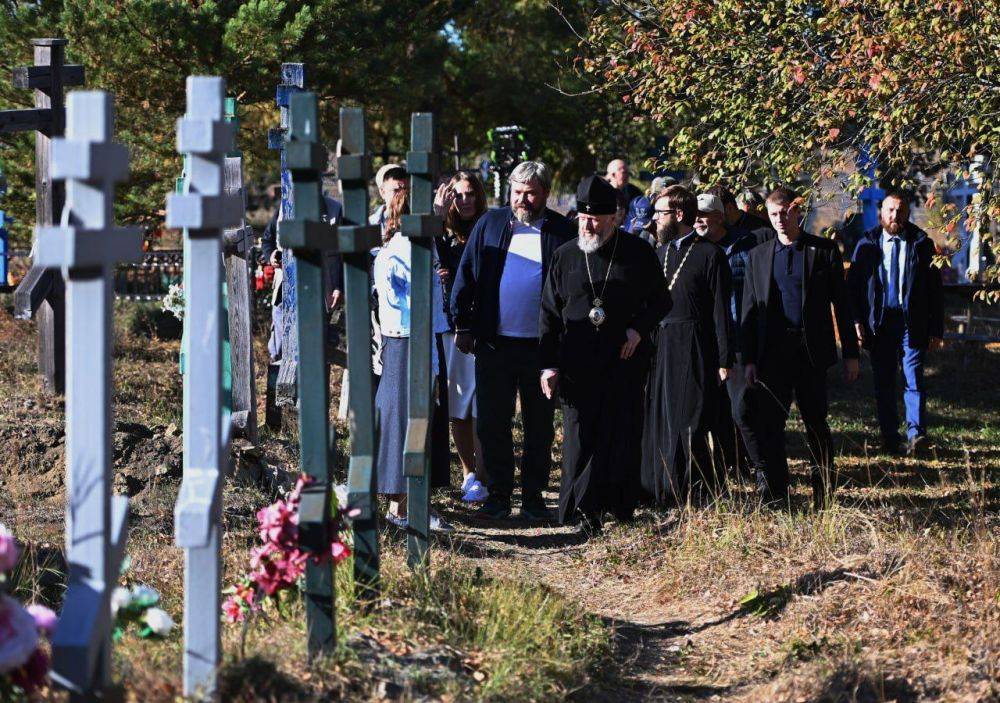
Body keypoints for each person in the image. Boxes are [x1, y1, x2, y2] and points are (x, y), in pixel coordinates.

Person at [540, 176, 669, 529]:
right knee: (581, 436)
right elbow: (549, 313)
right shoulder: (565, 256)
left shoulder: (638, 253)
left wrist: (638, 329)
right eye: (583, 218)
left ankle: (619, 506)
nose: (588, 225)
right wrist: (547, 365)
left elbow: (662, 300)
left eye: (595, 218)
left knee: (622, 433)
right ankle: (582, 510)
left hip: (623, 360)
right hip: (576, 362)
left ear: (614, 217)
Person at [451, 160, 575, 520]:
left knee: (538, 425)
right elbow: (467, 274)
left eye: (531, 193)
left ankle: (533, 498)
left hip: (542, 347)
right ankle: (499, 495)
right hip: (495, 342)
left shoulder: (560, 230)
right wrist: (463, 324)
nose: (523, 200)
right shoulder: (489, 224)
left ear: (545, 193)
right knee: (492, 422)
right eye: (517, 193)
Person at [741, 187, 860, 509]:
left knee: (816, 423)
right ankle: (777, 494)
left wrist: (850, 353)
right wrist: (749, 359)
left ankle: (824, 493)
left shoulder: (822, 252)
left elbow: (842, 306)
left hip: (811, 352)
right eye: (773, 214)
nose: (779, 219)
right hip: (772, 355)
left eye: (785, 212)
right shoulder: (759, 256)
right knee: (771, 426)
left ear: (798, 211)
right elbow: (750, 312)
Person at [641, 185, 733, 505]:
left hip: (695, 346)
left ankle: (696, 493)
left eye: (660, 214)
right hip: (660, 347)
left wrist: (724, 359)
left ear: (678, 214)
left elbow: (721, 311)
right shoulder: (659, 253)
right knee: (660, 418)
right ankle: (661, 490)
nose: (655, 220)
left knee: (689, 421)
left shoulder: (710, 255)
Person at [373, 189, 454, 532]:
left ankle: (411, 505)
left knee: (417, 417)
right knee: (407, 420)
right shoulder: (405, 248)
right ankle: (401, 508)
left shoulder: (416, 244)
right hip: (407, 339)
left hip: (416, 338)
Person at [847, 189, 944, 456]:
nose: (895, 215)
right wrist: (856, 321)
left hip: (912, 321)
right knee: (884, 381)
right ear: (881, 214)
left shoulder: (922, 244)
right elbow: (853, 289)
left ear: (908, 214)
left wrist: (936, 329)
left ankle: (916, 436)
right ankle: (890, 437)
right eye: (890, 210)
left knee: (914, 378)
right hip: (879, 323)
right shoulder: (866, 245)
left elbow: (935, 290)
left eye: (900, 211)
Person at [693, 193, 759, 478]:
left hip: (737, 338)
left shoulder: (746, 245)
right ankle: (724, 466)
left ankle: (755, 466)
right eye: (695, 214)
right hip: (703, 340)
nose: (698, 219)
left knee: (740, 410)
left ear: (720, 216)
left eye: (704, 214)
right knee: (712, 410)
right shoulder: (691, 249)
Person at [434, 171, 490, 502]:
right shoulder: (444, 235)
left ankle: (485, 474)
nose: (465, 200)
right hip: (452, 329)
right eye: (458, 194)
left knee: (484, 403)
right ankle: (468, 472)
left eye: (470, 193)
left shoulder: (491, 228)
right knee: (459, 404)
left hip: (484, 326)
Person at [261, 195, 344, 361]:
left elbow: (344, 252)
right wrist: (272, 256)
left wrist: (339, 286)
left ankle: (315, 385)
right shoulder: (285, 208)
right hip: (285, 288)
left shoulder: (334, 209)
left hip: (321, 289)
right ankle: (277, 381)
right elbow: (267, 239)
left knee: (315, 350)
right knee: (279, 347)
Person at [707, 184, 773, 245]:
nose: (710, 218)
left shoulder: (760, 229)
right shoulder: (713, 233)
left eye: (715, 213)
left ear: (729, 208)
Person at [606, 158, 645, 232]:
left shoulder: (634, 191)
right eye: (624, 172)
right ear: (613, 174)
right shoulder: (601, 192)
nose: (627, 176)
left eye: (628, 173)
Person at [370, 163, 408, 235]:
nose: (403, 195)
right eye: (396, 190)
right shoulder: (371, 223)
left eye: (405, 190)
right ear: (383, 192)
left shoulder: (417, 222)